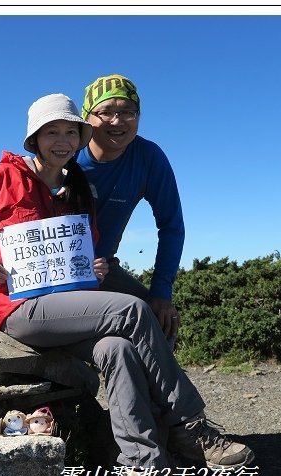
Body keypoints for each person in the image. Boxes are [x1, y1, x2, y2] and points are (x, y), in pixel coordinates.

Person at [0, 93, 254, 476]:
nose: (61, 140)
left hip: (70, 307)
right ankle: (189, 425)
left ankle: (145, 474)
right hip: (22, 309)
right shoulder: (2, 177)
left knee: (119, 349)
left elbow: (87, 250)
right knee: (132, 310)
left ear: (79, 138)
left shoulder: (77, 187)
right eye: (50, 132)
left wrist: (92, 267)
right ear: (34, 139)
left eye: (69, 132)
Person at [77, 74, 185, 343]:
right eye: (106, 111)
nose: (117, 121)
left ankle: (147, 387)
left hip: (105, 267)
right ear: (86, 117)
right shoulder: (66, 154)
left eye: (127, 112)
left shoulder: (148, 158)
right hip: (58, 269)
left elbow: (171, 226)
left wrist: (161, 293)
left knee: (160, 322)